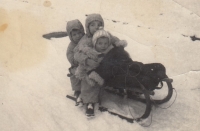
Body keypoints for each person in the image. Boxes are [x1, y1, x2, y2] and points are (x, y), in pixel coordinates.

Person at [66, 19, 85, 106]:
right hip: (76, 65)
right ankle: (78, 91)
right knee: (76, 75)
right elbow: (70, 56)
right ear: (70, 36)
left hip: (87, 64)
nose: (77, 36)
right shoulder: (71, 47)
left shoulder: (86, 41)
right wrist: (77, 60)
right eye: (74, 35)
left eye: (79, 33)